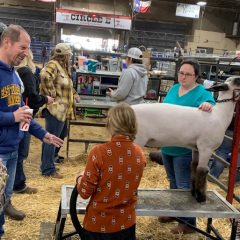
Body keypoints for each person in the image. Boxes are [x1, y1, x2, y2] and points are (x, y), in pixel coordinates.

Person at [0, 24, 63, 237]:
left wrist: (43, 134)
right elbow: (16, 115)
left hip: (11, 149)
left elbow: (24, 112)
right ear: (7, 42)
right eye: (23, 47)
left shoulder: (15, 76)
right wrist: (11, 117)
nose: (26, 53)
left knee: (4, 199)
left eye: (27, 48)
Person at [159, 59, 215, 234]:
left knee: (183, 185)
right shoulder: (175, 88)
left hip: (184, 148)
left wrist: (208, 105)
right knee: (173, 182)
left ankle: (188, 223)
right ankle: (176, 213)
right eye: (181, 73)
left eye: (188, 74)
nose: (183, 77)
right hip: (167, 144)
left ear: (196, 76)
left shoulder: (203, 93)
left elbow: (212, 107)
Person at [76, 103, 146, 240]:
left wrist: (79, 178)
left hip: (98, 225)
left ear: (111, 124)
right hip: (127, 223)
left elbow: (84, 192)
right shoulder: (139, 153)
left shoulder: (99, 152)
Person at [12, 50, 54, 198]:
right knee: (21, 152)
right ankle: (18, 183)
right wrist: (45, 99)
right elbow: (32, 97)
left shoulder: (16, 73)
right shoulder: (27, 73)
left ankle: (16, 182)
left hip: (21, 113)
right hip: (26, 114)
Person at [40, 42, 80, 177]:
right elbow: (45, 76)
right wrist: (51, 95)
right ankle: (47, 169)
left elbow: (66, 85)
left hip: (64, 110)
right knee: (52, 138)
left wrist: (74, 93)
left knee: (61, 135)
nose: (69, 57)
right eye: (68, 55)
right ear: (64, 55)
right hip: (56, 109)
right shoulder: (53, 65)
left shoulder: (63, 68)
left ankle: (52, 159)